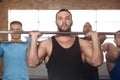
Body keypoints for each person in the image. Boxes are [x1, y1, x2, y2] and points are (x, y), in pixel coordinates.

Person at [27, 9, 103, 80]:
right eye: (60, 18)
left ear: (72, 22)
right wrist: (34, 39)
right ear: (56, 22)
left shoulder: (82, 43)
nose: (64, 22)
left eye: (67, 18)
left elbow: (97, 62)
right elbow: (32, 63)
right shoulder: (47, 44)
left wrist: (95, 38)